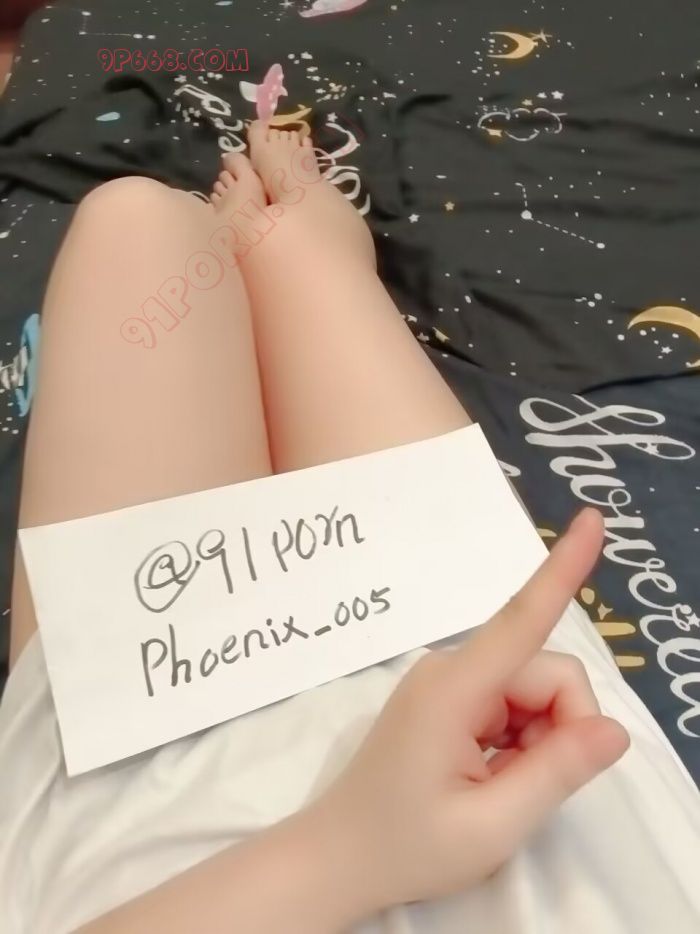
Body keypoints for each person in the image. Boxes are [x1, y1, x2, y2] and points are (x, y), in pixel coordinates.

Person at [0, 123, 698, 934]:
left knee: (135, 222)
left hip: (139, 798)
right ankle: (302, 236)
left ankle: (277, 243)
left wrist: (346, 854)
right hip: (495, 696)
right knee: (283, 246)